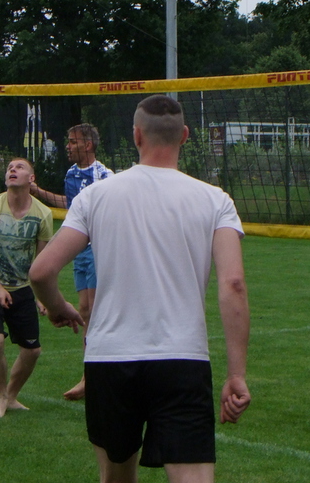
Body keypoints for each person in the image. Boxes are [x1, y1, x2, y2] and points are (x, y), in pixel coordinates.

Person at [30, 95, 251, 483]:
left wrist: (58, 306)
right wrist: (237, 374)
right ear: (184, 135)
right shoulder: (216, 200)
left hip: (110, 359)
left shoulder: (95, 196)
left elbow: (41, 271)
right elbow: (233, 285)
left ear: (136, 135)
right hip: (182, 360)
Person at [30, 123, 113, 400]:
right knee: (85, 310)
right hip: (80, 249)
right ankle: (89, 375)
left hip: (99, 247)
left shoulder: (104, 176)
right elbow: (70, 206)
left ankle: (97, 376)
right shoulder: (71, 174)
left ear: (87, 145)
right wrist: (37, 191)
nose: (68, 146)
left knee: (98, 311)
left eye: (73, 142)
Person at [0, 157, 54, 415]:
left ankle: (12, 396)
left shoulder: (43, 214)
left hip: (21, 286)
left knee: (32, 351)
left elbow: (41, 261)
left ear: (31, 178)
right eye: (9, 168)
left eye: (19, 167)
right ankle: (1, 396)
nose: (12, 170)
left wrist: (42, 297)